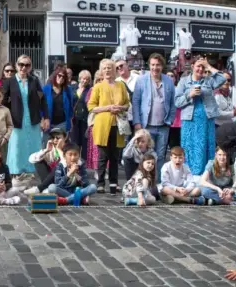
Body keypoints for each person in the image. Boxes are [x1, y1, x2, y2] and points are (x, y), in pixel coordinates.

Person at [3, 54, 49, 190]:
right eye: (21, 64)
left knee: (33, 146)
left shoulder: (34, 81)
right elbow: (4, 101)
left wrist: (45, 117)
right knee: (17, 147)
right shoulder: (10, 81)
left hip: (32, 120)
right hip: (16, 120)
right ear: (16, 66)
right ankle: (16, 174)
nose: (24, 67)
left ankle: (32, 173)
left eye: (27, 65)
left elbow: (42, 100)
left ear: (30, 67)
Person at [175, 57, 226, 175]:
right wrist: (190, 95)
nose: (200, 69)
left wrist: (208, 66)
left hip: (207, 120)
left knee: (206, 147)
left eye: (202, 67)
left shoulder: (208, 81)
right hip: (190, 121)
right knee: (190, 148)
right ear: (192, 66)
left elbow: (222, 78)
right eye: (198, 66)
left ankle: (206, 175)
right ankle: (189, 175)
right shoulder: (183, 82)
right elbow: (177, 102)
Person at [87, 59, 130, 195]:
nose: (107, 70)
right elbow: (91, 106)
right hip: (102, 125)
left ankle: (114, 182)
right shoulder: (98, 87)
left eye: (109, 68)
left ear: (114, 70)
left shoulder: (121, 85)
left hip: (118, 125)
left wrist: (120, 107)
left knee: (115, 156)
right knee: (102, 156)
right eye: (104, 68)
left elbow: (127, 104)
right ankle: (100, 183)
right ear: (101, 70)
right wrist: (108, 108)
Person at [132, 53, 176, 180]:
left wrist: (170, 120)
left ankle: (158, 183)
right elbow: (135, 102)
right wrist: (137, 122)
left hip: (163, 125)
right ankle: (144, 181)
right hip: (146, 125)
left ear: (162, 66)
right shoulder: (141, 80)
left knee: (161, 155)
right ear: (149, 65)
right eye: (152, 65)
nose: (155, 68)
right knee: (145, 156)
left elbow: (173, 102)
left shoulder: (168, 81)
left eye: (158, 65)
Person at [24, 128, 67, 195]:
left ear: (65, 138)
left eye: (58, 137)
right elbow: (31, 159)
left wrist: (59, 149)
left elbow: (65, 164)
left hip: (65, 181)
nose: (55, 140)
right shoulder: (51, 150)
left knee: (59, 165)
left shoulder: (70, 149)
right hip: (52, 181)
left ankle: (40, 188)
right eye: (53, 137)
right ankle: (47, 188)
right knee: (38, 161)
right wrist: (46, 150)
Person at [42, 67, 74, 147]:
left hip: (62, 123)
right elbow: (40, 106)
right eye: (59, 75)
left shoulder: (67, 90)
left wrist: (70, 120)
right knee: (46, 146)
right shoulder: (46, 89)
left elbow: (70, 107)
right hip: (48, 123)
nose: (61, 78)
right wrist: (42, 119)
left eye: (64, 77)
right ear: (55, 75)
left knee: (60, 147)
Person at [72, 70, 92, 160]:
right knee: (74, 141)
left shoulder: (90, 90)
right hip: (74, 119)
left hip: (85, 119)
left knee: (85, 141)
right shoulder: (72, 88)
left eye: (87, 79)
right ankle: (74, 160)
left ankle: (83, 162)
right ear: (79, 78)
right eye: (83, 79)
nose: (85, 81)